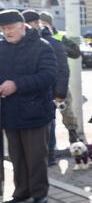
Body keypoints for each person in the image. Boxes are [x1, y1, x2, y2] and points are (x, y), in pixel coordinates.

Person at [0, 9, 57, 203]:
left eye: (11, 28)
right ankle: (21, 191)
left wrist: (16, 85)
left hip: (35, 111)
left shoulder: (42, 47)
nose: (7, 32)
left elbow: (48, 76)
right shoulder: (1, 48)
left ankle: (39, 192)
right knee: (16, 156)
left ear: (22, 26)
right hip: (9, 112)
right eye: (3, 29)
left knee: (35, 156)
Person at [21, 10, 67, 166]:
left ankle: (49, 156)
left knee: (49, 125)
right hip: (27, 95)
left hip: (49, 93)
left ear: (35, 24)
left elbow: (62, 70)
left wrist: (60, 93)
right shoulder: (20, 44)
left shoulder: (52, 42)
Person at [40, 11, 81, 143]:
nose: (42, 26)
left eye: (44, 23)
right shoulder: (36, 38)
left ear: (50, 24)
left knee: (67, 111)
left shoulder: (59, 37)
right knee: (48, 118)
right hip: (45, 82)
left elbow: (76, 53)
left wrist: (60, 47)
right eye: (40, 24)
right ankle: (50, 145)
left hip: (61, 81)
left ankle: (73, 137)